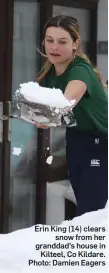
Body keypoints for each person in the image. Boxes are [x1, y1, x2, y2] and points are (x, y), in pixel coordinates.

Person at [35, 15, 108, 216]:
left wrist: (46, 117)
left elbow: (65, 104)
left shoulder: (80, 70)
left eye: (62, 41)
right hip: (76, 140)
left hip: (100, 143)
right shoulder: (49, 74)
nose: (54, 47)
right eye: (49, 40)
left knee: (91, 211)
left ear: (76, 44)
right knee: (84, 207)